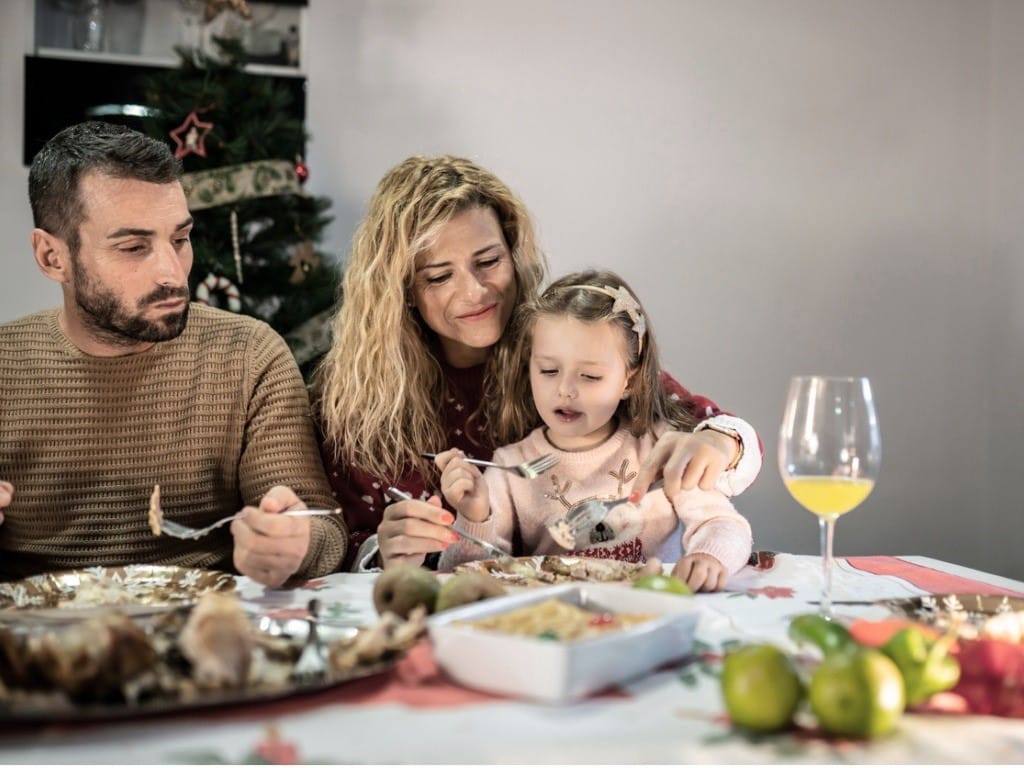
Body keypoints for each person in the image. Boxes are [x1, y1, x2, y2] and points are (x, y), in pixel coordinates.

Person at [315, 155, 760, 571]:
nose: (474, 292)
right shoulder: (359, 393)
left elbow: (712, 427)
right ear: (401, 290)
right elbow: (343, 542)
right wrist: (384, 550)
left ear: (514, 254)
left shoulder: (558, 341)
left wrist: (720, 445)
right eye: (439, 276)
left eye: (488, 261)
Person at [0, 121, 347, 586]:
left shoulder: (248, 355)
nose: (172, 273)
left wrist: (295, 541)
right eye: (133, 247)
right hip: (34, 640)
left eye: (180, 240)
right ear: (51, 257)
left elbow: (322, 526)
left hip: (204, 635)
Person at [434, 270, 752, 591]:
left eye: (589, 376)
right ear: (529, 366)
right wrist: (475, 518)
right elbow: (467, 577)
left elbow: (721, 523)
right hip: (560, 620)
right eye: (548, 370)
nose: (565, 390)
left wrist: (709, 556)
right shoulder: (509, 466)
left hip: (649, 605)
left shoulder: (658, 448)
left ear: (629, 380)